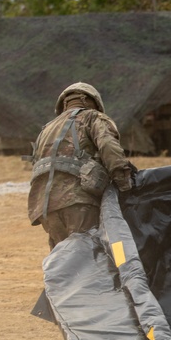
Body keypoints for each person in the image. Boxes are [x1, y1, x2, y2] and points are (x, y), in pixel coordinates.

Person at [27, 82, 137, 250]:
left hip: (44, 206)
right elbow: (109, 148)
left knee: (62, 259)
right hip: (78, 201)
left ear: (64, 104)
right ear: (93, 102)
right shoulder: (93, 118)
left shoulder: (47, 128)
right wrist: (125, 186)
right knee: (87, 257)